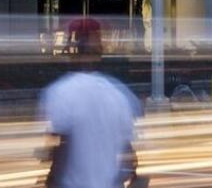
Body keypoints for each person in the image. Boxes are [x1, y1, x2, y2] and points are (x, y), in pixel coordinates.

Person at [38, 36, 142, 188]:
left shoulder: (61, 92)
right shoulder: (118, 94)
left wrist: (52, 180)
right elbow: (128, 152)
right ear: (99, 58)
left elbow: (63, 145)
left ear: (73, 57)